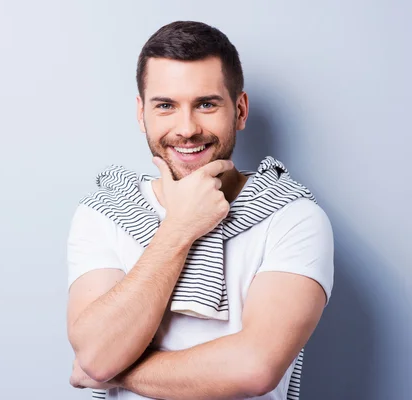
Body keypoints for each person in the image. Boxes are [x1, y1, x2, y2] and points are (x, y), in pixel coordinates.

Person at [65, 20, 334, 400]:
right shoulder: (105, 215)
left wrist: (116, 371)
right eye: (166, 106)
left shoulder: (293, 218)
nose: (187, 128)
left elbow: (254, 368)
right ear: (142, 113)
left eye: (206, 104)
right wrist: (180, 227)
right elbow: (94, 354)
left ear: (239, 110)